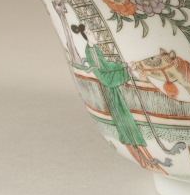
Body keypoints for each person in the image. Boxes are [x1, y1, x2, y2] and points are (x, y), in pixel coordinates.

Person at [70, 23, 164, 173]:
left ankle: (139, 148)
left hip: (111, 84)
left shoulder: (95, 49)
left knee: (125, 115)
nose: (95, 35)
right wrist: (124, 70)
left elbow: (107, 65)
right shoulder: (91, 51)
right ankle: (136, 148)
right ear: (86, 35)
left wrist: (122, 65)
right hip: (109, 86)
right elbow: (104, 72)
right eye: (92, 33)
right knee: (122, 116)